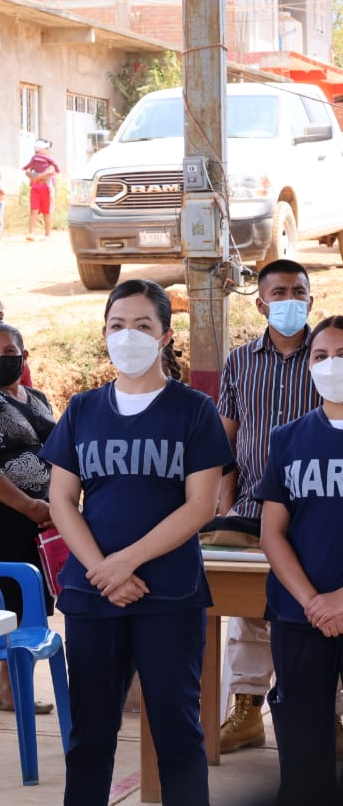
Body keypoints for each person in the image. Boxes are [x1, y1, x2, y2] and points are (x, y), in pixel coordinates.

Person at [40, 279, 231, 805]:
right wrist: (104, 570)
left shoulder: (194, 410)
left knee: (177, 732)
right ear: (104, 333)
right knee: (89, 737)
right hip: (93, 592)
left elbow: (200, 505)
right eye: (117, 325)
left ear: (166, 334)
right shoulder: (81, 409)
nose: (129, 335)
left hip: (167, 593)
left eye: (143, 325)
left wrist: (125, 562)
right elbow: (62, 502)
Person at [213, 258, 324, 754]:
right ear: (260, 303)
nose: (289, 300)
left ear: (311, 299)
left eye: (298, 291)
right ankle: (247, 711)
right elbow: (226, 445)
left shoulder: (327, 358)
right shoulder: (239, 362)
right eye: (278, 292)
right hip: (254, 510)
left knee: (317, 612)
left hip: (319, 512)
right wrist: (225, 507)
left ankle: (330, 716)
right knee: (248, 615)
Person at [258, 315, 343, 806]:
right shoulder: (287, 437)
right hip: (298, 615)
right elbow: (273, 533)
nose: (332, 365)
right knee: (303, 739)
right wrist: (314, 602)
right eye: (320, 356)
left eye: (341, 354)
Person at [0, 322, 56, 728]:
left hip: (39, 520)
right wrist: (27, 505)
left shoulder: (37, 398)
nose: (3, 358)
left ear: (24, 354)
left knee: (27, 605)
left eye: (10, 351)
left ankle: (12, 691)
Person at [23, 139, 60, 240]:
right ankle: (31, 233)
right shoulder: (34, 159)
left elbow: (51, 172)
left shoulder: (49, 160)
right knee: (33, 210)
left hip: (47, 188)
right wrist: (33, 177)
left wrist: (37, 177)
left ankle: (47, 234)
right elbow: (27, 171)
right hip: (35, 188)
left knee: (46, 212)